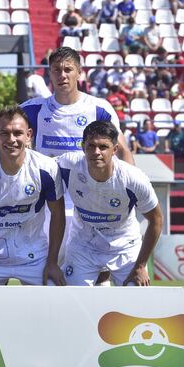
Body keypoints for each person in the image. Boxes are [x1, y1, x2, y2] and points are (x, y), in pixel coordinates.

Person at [0, 106, 65, 286]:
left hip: (35, 258)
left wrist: (52, 262)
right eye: (5, 133)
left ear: (29, 135)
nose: (11, 140)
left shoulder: (47, 168)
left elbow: (58, 214)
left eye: (18, 133)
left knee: (52, 301)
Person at [57, 121, 162, 286]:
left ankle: (106, 277)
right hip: (83, 245)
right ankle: (101, 278)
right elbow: (39, 168)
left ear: (115, 150)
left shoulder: (133, 179)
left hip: (124, 246)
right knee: (73, 300)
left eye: (103, 147)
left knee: (136, 301)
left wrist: (141, 265)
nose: (96, 152)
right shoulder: (68, 164)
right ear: (83, 146)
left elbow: (156, 220)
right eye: (90, 146)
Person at [21, 46, 133, 161]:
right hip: (46, 179)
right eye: (56, 70)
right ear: (50, 73)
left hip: (88, 179)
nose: (62, 75)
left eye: (68, 70)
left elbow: (123, 151)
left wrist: (134, 178)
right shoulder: (31, 109)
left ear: (79, 72)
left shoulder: (99, 109)